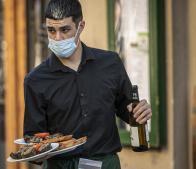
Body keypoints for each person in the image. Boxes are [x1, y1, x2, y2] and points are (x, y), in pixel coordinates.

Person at [23, 0, 152, 169]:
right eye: (51, 30)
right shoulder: (35, 80)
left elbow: (128, 110)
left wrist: (140, 112)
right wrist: (34, 151)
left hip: (106, 163)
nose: (57, 37)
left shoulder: (110, 63)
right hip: (60, 166)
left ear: (81, 26)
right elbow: (34, 139)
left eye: (65, 29)